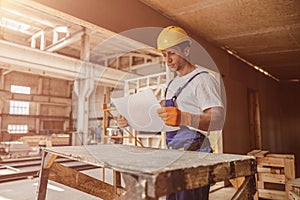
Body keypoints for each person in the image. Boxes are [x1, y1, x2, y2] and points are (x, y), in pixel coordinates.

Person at [117, 25, 225, 200]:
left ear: (187, 50)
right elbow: (157, 114)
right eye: (164, 55)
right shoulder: (173, 84)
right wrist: (129, 119)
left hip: (194, 156)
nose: (167, 60)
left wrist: (186, 118)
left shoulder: (202, 79)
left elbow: (218, 120)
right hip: (173, 155)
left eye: (172, 53)